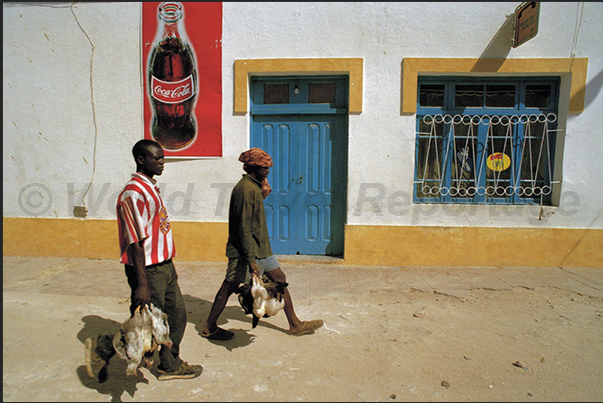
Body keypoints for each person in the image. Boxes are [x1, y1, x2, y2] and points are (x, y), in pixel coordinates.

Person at [84, 139, 203, 382]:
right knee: (146, 328)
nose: (162, 162)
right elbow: (136, 242)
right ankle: (104, 349)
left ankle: (168, 364)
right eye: (156, 158)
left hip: (165, 266)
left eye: (162, 157)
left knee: (177, 315)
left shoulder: (149, 187)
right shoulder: (133, 193)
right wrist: (142, 283)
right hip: (148, 270)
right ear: (141, 160)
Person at [201, 147, 324, 341]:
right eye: (264, 167)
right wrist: (251, 262)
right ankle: (209, 326)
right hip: (246, 252)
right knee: (229, 286)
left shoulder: (253, 186)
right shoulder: (245, 190)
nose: (268, 170)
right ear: (252, 167)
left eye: (268, 167)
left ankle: (295, 324)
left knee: (280, 280)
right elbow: (244, 229)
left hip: (262, 249)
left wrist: (263, 182)